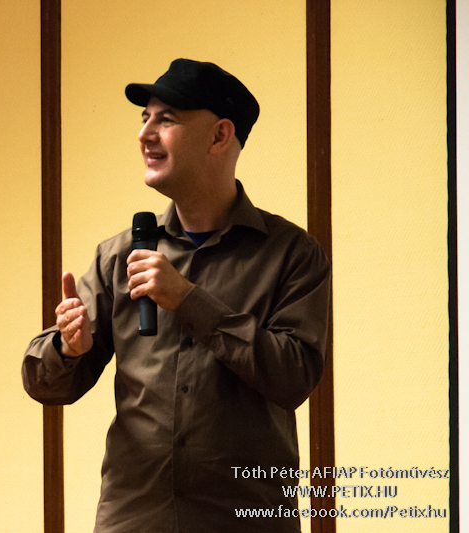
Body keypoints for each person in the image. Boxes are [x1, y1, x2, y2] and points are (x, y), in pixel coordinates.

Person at [22, 59, 331, 533]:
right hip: (134, 521)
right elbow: (44, 385)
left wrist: (189, 299)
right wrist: (67, 347)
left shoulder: (292, 254)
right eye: (144, 118)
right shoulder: (118, 256)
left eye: (165, 120)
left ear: (219, 135)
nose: (145, 134)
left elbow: (295, 378)